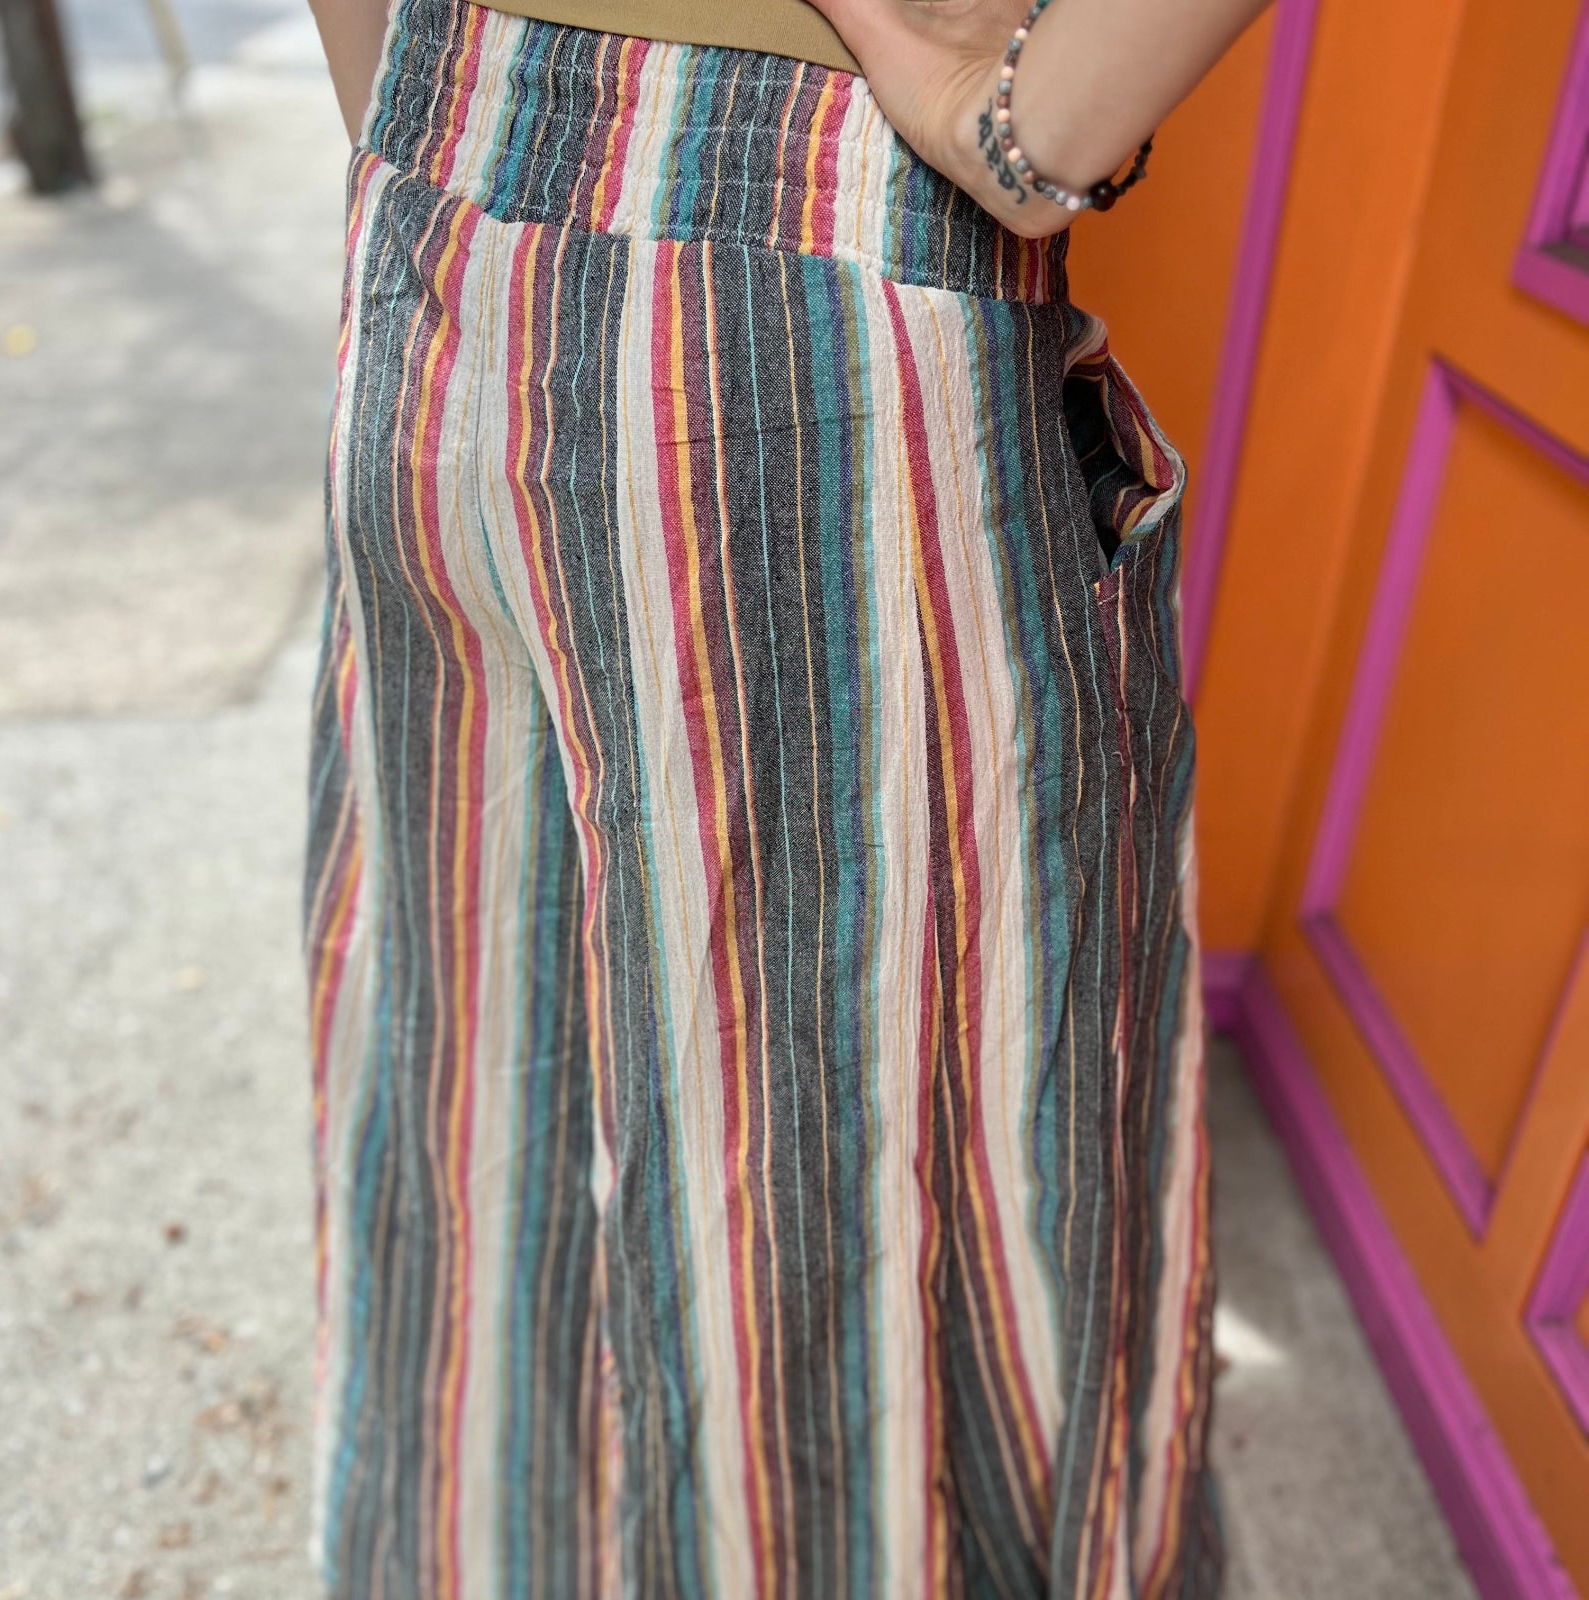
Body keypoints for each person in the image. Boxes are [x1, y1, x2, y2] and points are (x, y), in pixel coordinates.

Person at [302, 0, 1268, 1594]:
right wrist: (1034, 135)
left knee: (496, 1052)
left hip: (434, 221)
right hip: (798, 269)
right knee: (828, 1156)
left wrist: (422, 142)